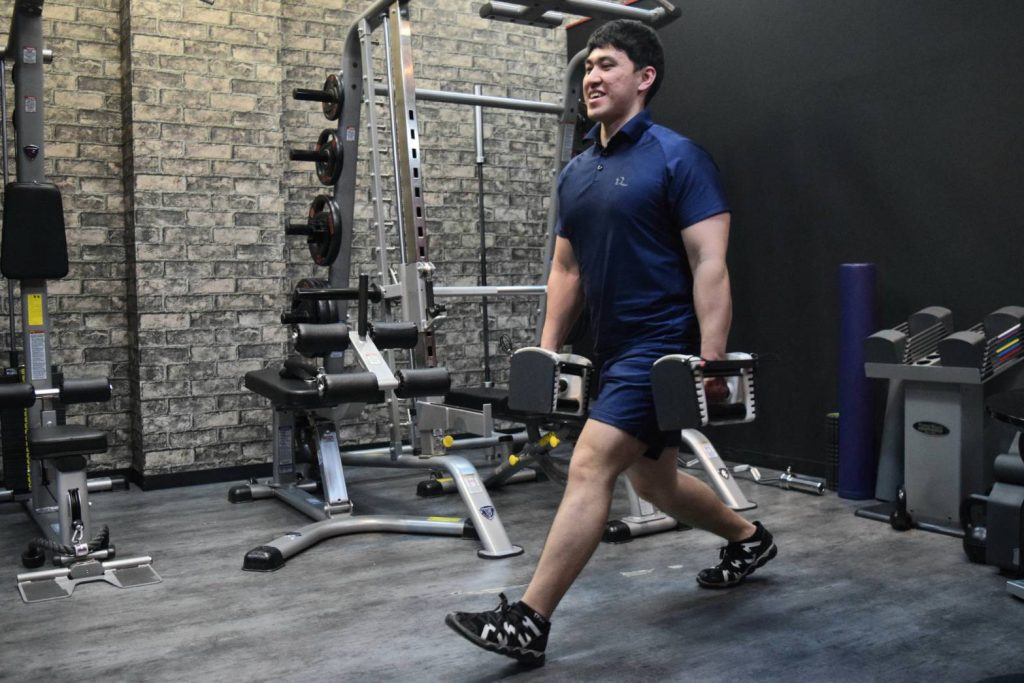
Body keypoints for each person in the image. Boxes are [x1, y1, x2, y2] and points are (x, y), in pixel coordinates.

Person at [445, 19, 776, 667]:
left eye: (607, 65)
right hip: (612, 347)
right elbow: (566, 270)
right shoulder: (576, 173)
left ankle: (529, 620)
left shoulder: (679, 157)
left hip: (664, 344)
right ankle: (749, 537)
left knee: (591, 463)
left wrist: (710, 357)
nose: (591, 77)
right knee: (655, 483)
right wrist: (546, 352)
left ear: (644, 78)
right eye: (589, 66)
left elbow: (709, 261)